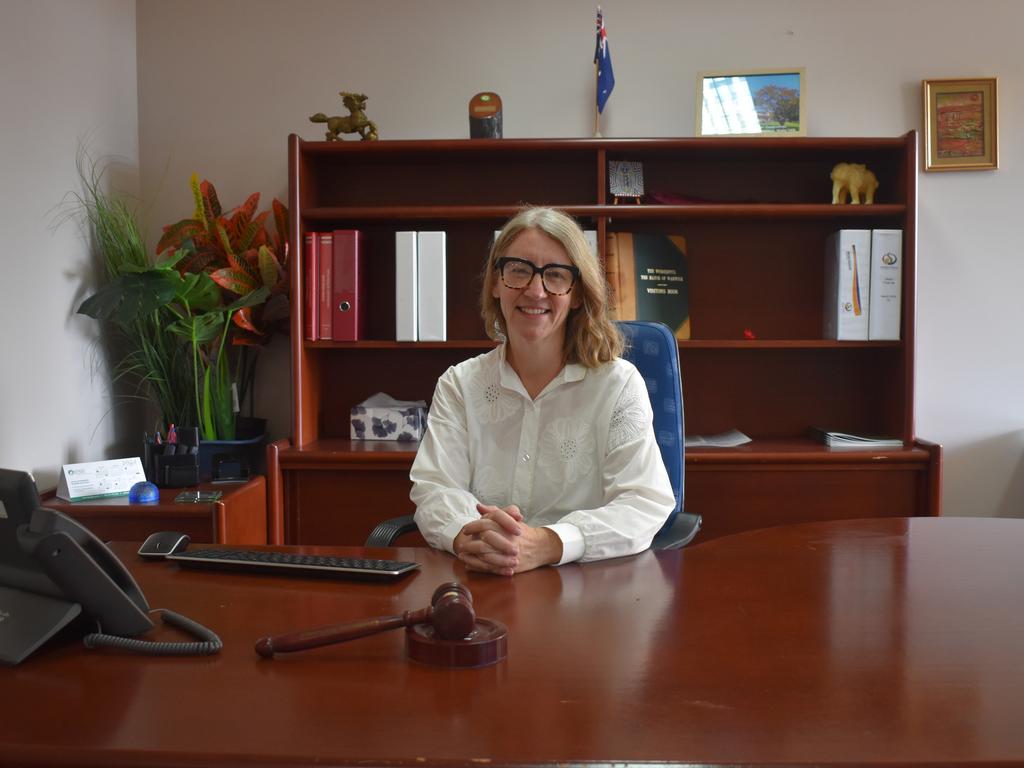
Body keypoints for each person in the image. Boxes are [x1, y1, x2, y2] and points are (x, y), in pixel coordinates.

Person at [410, 207, 674, 575]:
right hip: (484, 579)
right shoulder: (459, 384)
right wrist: (468, 536)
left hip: (586, 592)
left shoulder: (617, 385)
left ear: (577, 293)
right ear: (496, 283)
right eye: (519, 270)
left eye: (555, 275)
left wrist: (549, 543)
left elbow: (643, 502)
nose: (536, 291)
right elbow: (435, 488)